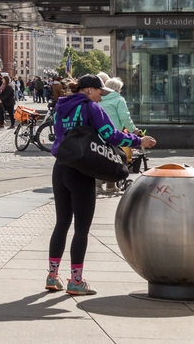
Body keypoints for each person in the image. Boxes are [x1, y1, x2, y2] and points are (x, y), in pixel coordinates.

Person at [47, 74, 155, 296]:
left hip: (61, 167)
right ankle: (76, 280)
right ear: (88, 90)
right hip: (82, 169)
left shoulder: (62, 107)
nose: (100, 98)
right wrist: (139, 141)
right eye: (99, 93)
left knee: (62, 223)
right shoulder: (91, 108)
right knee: (82, 228)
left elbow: (59, 134)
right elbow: (111, 135)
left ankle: (52, 275)